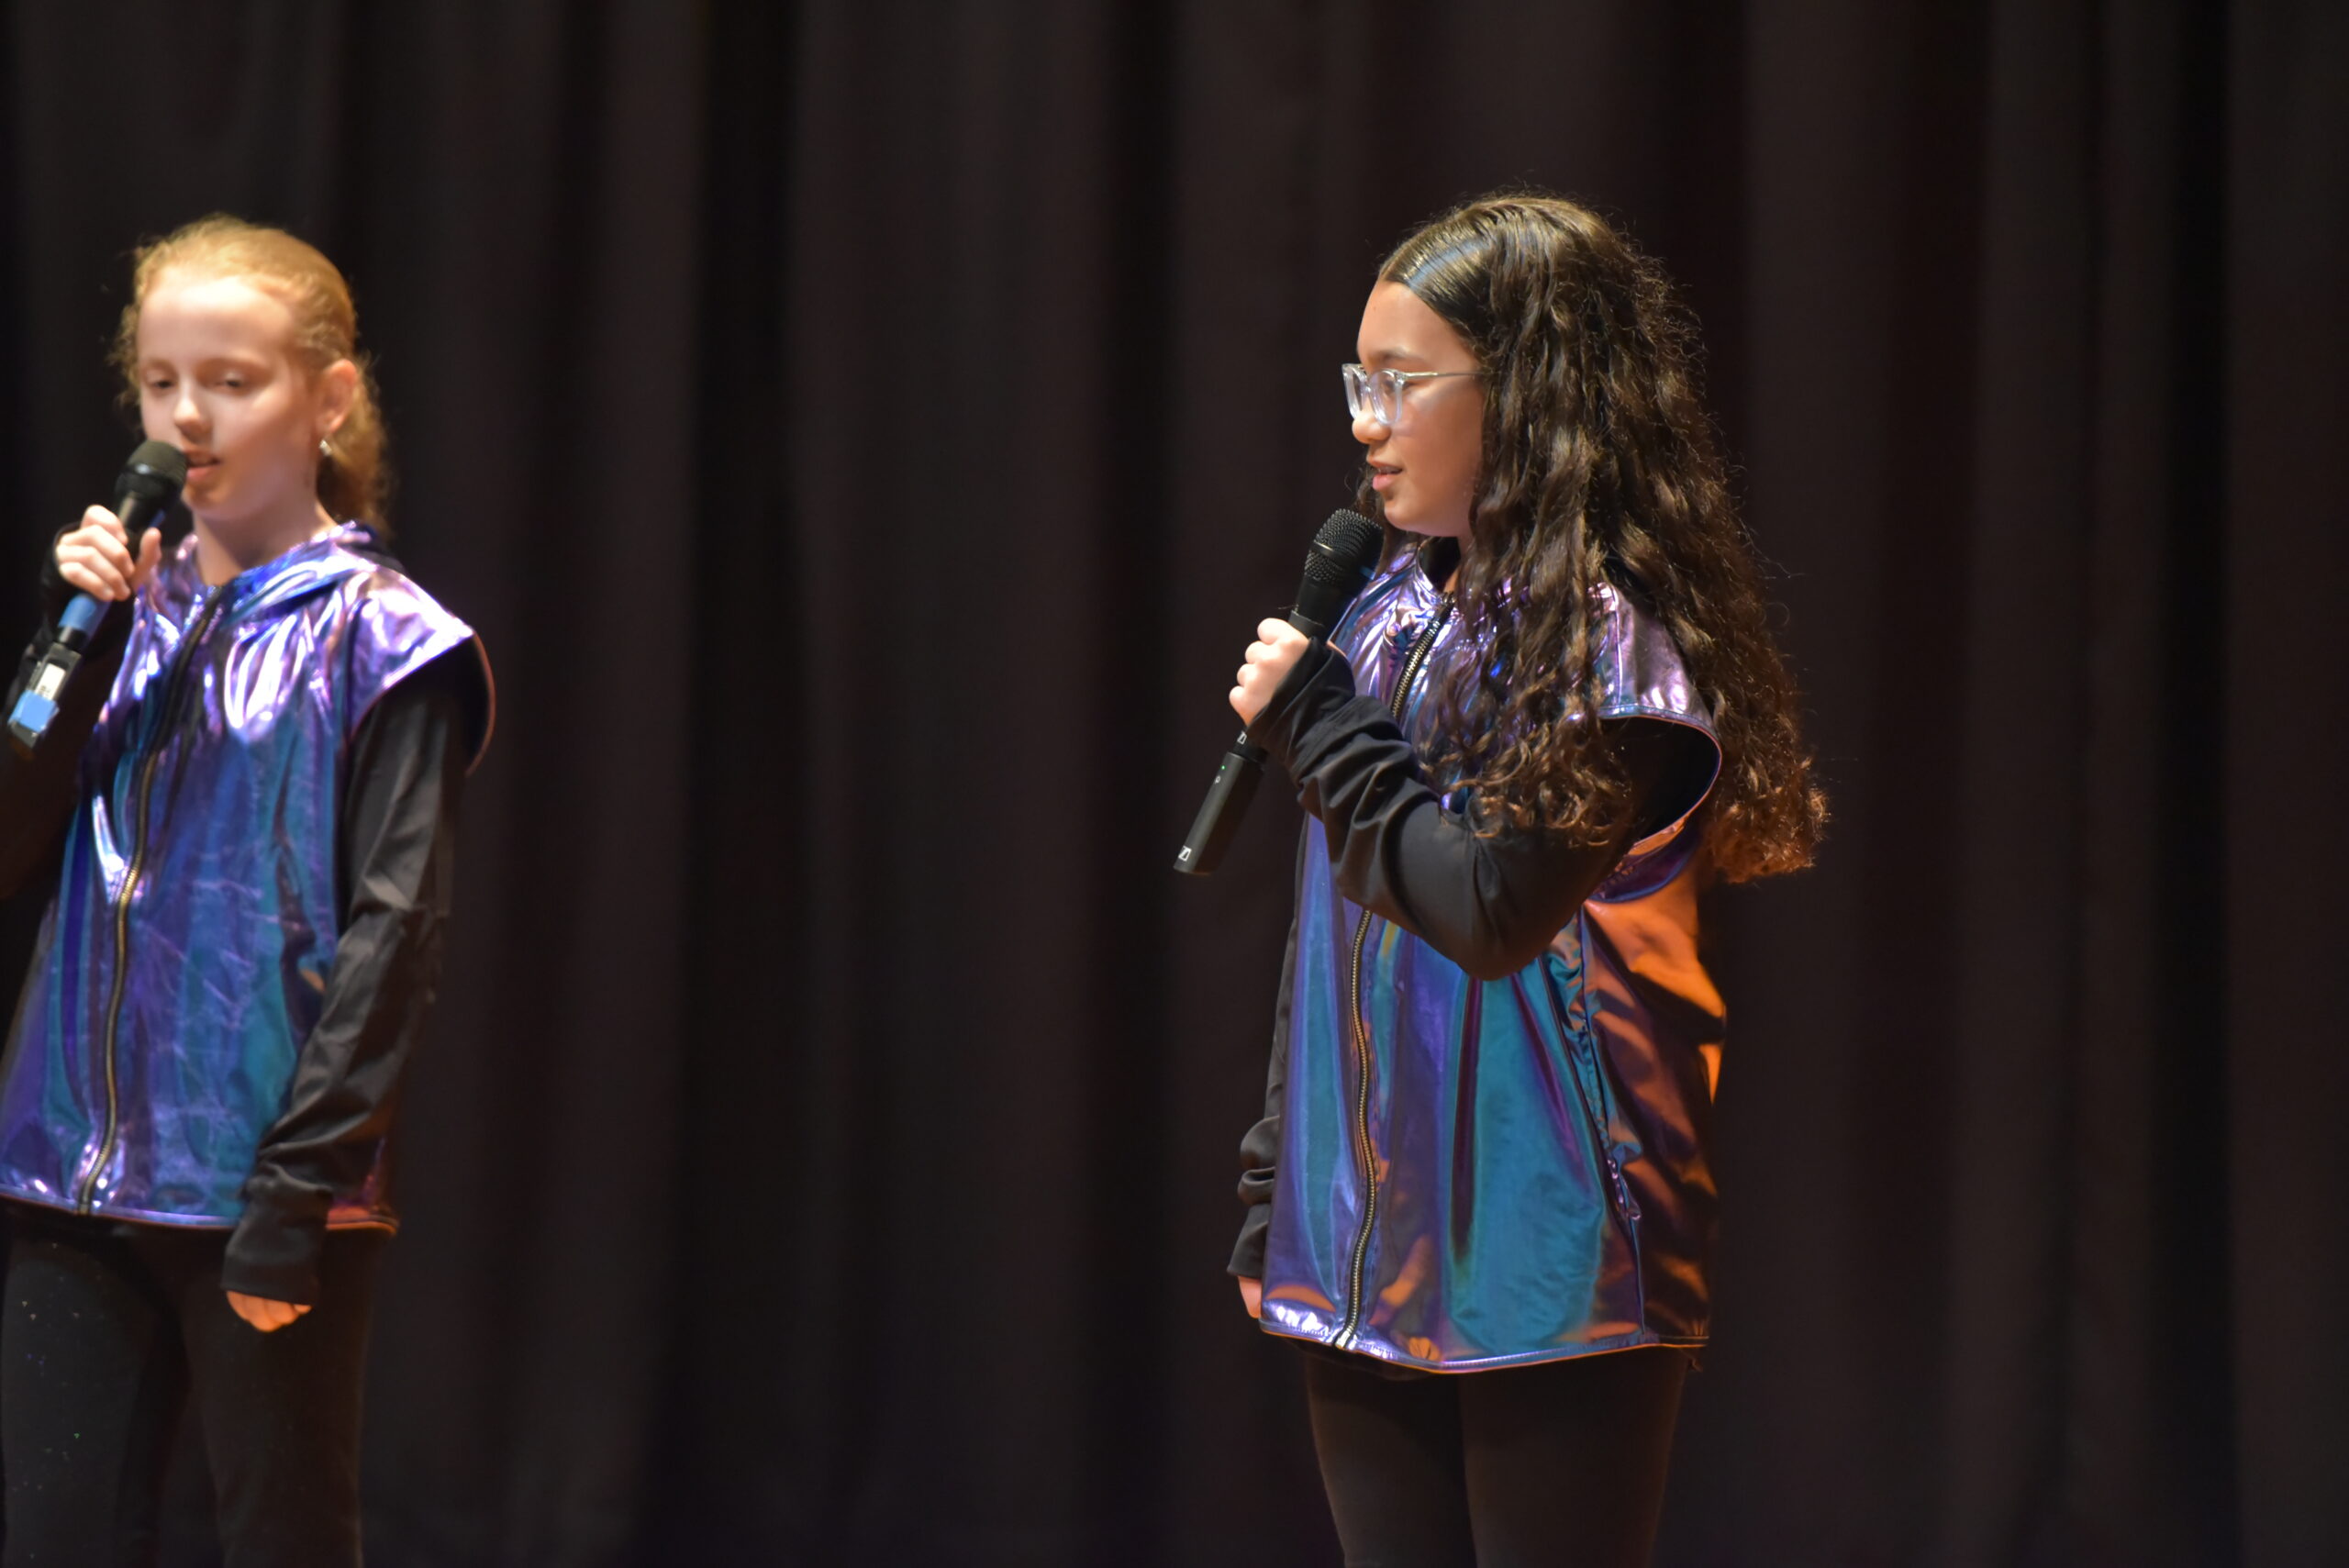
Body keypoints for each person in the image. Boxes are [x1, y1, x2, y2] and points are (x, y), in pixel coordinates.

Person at [1226, 194, 1825, 1567]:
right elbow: (1332, 931)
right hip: (1361, 1235)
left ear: (1528, 396)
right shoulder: (1385, 616)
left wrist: (1319, 727)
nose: (1367, 421)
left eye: (1401, 382)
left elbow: (1489, 908)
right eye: (1358, 383)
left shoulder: (1615, 652)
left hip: (1555, 1266)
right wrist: (1275, 1182)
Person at [0, 216, 491, 1565]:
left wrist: (294, 1196)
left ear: (327, 399)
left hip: (263, 1190)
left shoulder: (388, 640)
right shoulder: (123, 617)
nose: (186, 417)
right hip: (69, 1173)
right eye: (161, 382)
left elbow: (396, 940)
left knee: (280, 1536)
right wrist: (75, 641)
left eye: (230, 380)